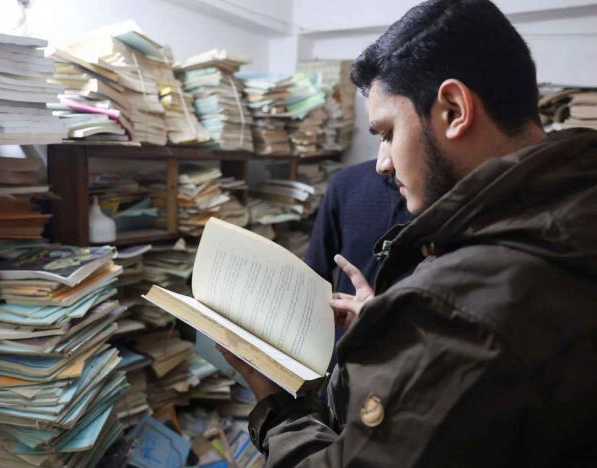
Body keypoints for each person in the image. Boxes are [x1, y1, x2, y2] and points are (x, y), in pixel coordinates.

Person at [218, 0, 597, 466]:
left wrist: (275, 401)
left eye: (387, 131)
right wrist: (392, 336)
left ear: (454, 109)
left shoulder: (452, 312)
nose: (380, 162)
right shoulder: (573, 204)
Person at [305, 159, 410, 329]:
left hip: (411, 347)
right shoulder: (345, 183)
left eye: (391, 135)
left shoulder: (449, 203)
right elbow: (315, 272)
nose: (384, 161)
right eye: (383, 137)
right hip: (343, 339)